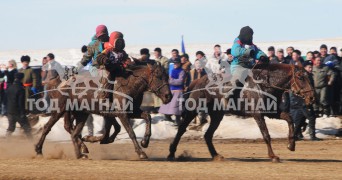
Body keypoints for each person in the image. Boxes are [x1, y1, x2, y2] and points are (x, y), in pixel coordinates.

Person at [159, 58, 185, 126]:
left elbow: (180, 81)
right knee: (166, 106)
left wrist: (170, 81)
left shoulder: (182, 71)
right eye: (174, 63)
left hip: (178, 91)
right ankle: (169, 119)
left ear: (179, 64)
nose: (175, 64)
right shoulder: (172, 70)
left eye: (176, 63)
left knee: (176, 107)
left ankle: (178, 121)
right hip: (171, 90)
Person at [6, 72, 32, 139]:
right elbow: (20, 103)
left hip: (9, 111)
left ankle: (6, 142)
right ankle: (32, 143)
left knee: (11, 128)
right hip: (18, 112)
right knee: (27, 128)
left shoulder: (9, 87)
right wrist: (23, 113)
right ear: (22, 79)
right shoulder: (20, 89)